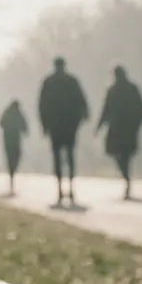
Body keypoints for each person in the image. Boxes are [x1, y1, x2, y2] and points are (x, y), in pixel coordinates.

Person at [38, 57, 90, 205]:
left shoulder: (48, 82)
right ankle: (71, 188)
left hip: (55, 127)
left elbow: (42, 106)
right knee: (70, 157)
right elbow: (82, 101)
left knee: (57, 158)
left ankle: (60, 189)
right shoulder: (72, 81)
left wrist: (44, 125)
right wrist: (82, 117)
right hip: (70, 126)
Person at [96, 65, 142, 200]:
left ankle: (126, 177)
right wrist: (137, 124)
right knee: (124, 155)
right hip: (128, 129)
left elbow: (105, 111)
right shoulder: (131, 89)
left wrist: (99, 127)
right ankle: (126, 177)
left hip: (119, 129)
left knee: (119, 154)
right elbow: (141, 108)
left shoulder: (113, 90)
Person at [0, 99, 29, 195]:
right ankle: (12, 176)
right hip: (14, 141)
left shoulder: (7, 113)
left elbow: (0, 123)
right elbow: (25, 127)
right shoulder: (17, 114)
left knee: (11, 160)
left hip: (8, 142)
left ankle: (12, 176)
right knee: (15, 159)